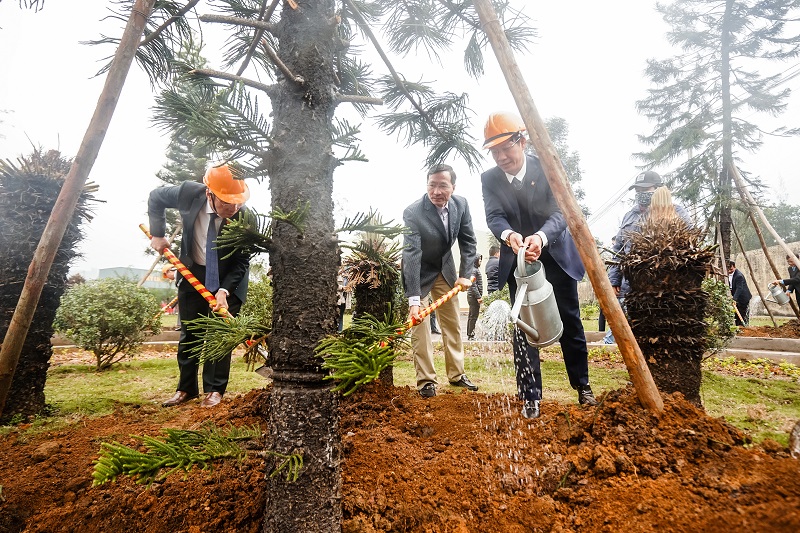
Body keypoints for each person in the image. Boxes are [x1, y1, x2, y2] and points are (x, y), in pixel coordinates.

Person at [480, 112, 596, 419]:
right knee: (523, 326)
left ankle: (583, 387)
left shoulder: (547, 167)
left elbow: (561, 212)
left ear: (523, 141)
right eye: (495, 152)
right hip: (518, 260)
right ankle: (530, 396)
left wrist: (541, 238)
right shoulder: (489, 180)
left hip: (555, 253)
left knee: (570, 321)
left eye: (507, 148)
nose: (502, 157)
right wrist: (509, 235)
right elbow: (494, 216)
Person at [148, 164, 251, 408]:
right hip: (192, 273)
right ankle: (186, 389)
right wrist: (157, 234)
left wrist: (224, 291)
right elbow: (155, 197)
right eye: (227, 202)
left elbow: (241, 261)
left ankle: (214, 391)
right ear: (209, 194)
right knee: (190, 334)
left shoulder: (245, 216)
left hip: (229, 281)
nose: (234, 208)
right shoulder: (188, 193)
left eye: (238, 202)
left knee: (219, 336)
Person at [402, 163, 479, 398]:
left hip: (445, 271)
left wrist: (465, 274)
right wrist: (414, 299)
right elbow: (412, 254)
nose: (436, 191)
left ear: (453, 187)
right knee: (420, 326)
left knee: (452, 323)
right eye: (432, 185)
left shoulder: (461, 205)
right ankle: (426, 381)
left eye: (442, 186)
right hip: (419, 272)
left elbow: (468, 242)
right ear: (427, 185)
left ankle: (456, 375)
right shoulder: (413, 212)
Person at [606, 177, 693, 344]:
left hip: (662, 287)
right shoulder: (629, 216)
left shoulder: (676, 211)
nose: (641, 194)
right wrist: (614, 279)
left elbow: (689, 243)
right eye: (638, 190)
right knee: (623, 329)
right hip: (629, 286)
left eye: (646, 190)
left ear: (658, 189)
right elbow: (618, 250)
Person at [727, 260, 752, 326]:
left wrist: (734, 299)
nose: (729, 271)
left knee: (742, 315)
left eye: (731, 269)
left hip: (743, 298)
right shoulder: (727, 275)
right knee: (736, 315)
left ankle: (744, 328)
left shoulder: (739, 276)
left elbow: (739, 288)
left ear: (734, 267)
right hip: (736, 297)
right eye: (728, 269)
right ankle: (738, 327)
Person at [466, 254, 484, 340]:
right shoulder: (474, 270)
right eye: (479, 260)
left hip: (472, 296)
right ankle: (471, 335)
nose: (480, 262)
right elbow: (473, 285)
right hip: (473, 297)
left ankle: (470, 334)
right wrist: (478, 297)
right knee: (473, 316)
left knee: (471, 316)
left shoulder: (474, 269)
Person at [162, 264, 182, 330]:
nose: (167, 277)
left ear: (169, 271)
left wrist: (169, 306)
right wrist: (170, 306)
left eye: (166, 275)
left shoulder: (180, 275)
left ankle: (182, 326)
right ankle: (181, 326)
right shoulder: (177, 278)